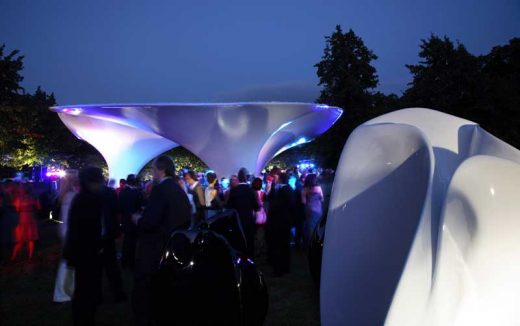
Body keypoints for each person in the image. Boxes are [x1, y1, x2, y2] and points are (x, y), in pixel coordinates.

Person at [132, 155, 191, 326]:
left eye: (153, 169)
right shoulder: (177, 188)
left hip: (156, 247)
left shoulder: (160, 189)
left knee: (145, 287)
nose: (152, 172)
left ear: (161, 170)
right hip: (174, 244)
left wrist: (138, 219)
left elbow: (150, 222)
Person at [63, 166, 105, 325]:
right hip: (87, 253)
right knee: (86, 290)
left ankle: (82, 317)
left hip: (81, 252)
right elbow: (89, 229)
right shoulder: (90, 200)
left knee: (82, 289)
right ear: (93, 181)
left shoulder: (81, 198)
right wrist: (99, 246)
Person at [53, 171, 79, 303]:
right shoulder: (72, 195)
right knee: (68, 263)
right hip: (71, 231)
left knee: (69, 262)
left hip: (67, 230)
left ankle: (68, 289)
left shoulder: (67, 195)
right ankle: (63, 292)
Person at [100, 182, 127, 303]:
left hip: (98, 234)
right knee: (112, 266)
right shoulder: (109, 192)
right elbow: (117, 210)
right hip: (107, 233)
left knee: (98, 267)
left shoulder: (85, 194)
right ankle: (118, 293)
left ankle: (97, 295)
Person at [266, 173, 295, 276]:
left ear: (280, 180)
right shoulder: (290, 189)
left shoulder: (281, 191)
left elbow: (273, 204)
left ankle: (278, 270)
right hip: (286, 222)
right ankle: (286, 267)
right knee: (285, 245)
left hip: (278, 222)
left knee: (278, 246)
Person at [226, 168, 260, 256]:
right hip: (249, 221)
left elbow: (229, 207)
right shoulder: (251, 190)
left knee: (238, 243)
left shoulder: (233, 190)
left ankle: (239, 262)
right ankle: (250, 262)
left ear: (238, 178)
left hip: (237, 222)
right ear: (246, 178)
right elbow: (256, 207)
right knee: (249, 242)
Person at [119, 174, 144, 269]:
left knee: (127, 241)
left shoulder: (123, 192)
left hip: (126, 219)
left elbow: (120, 206)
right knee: (132, 242)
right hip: (134, 219)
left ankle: (125, 261)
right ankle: (130, 262)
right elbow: (141, 205)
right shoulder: (137, 192)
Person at [10, 183, 40, 261]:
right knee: (30, 238)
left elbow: (16, 209)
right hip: (30, 218)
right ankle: (30, 256)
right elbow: (38, 207)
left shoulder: (18, 199)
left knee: (20, 240)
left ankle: (14, 257)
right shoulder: (32, 198)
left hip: (22, 218)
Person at [302, 173, 324, 248]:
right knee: (318, 226)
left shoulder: (305, 189)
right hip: (318, 209)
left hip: (309, 209)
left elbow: (303, 201)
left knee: (310, 227)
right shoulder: (319, 188)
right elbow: (322, 199)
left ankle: (311, 245)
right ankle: (318, 243)